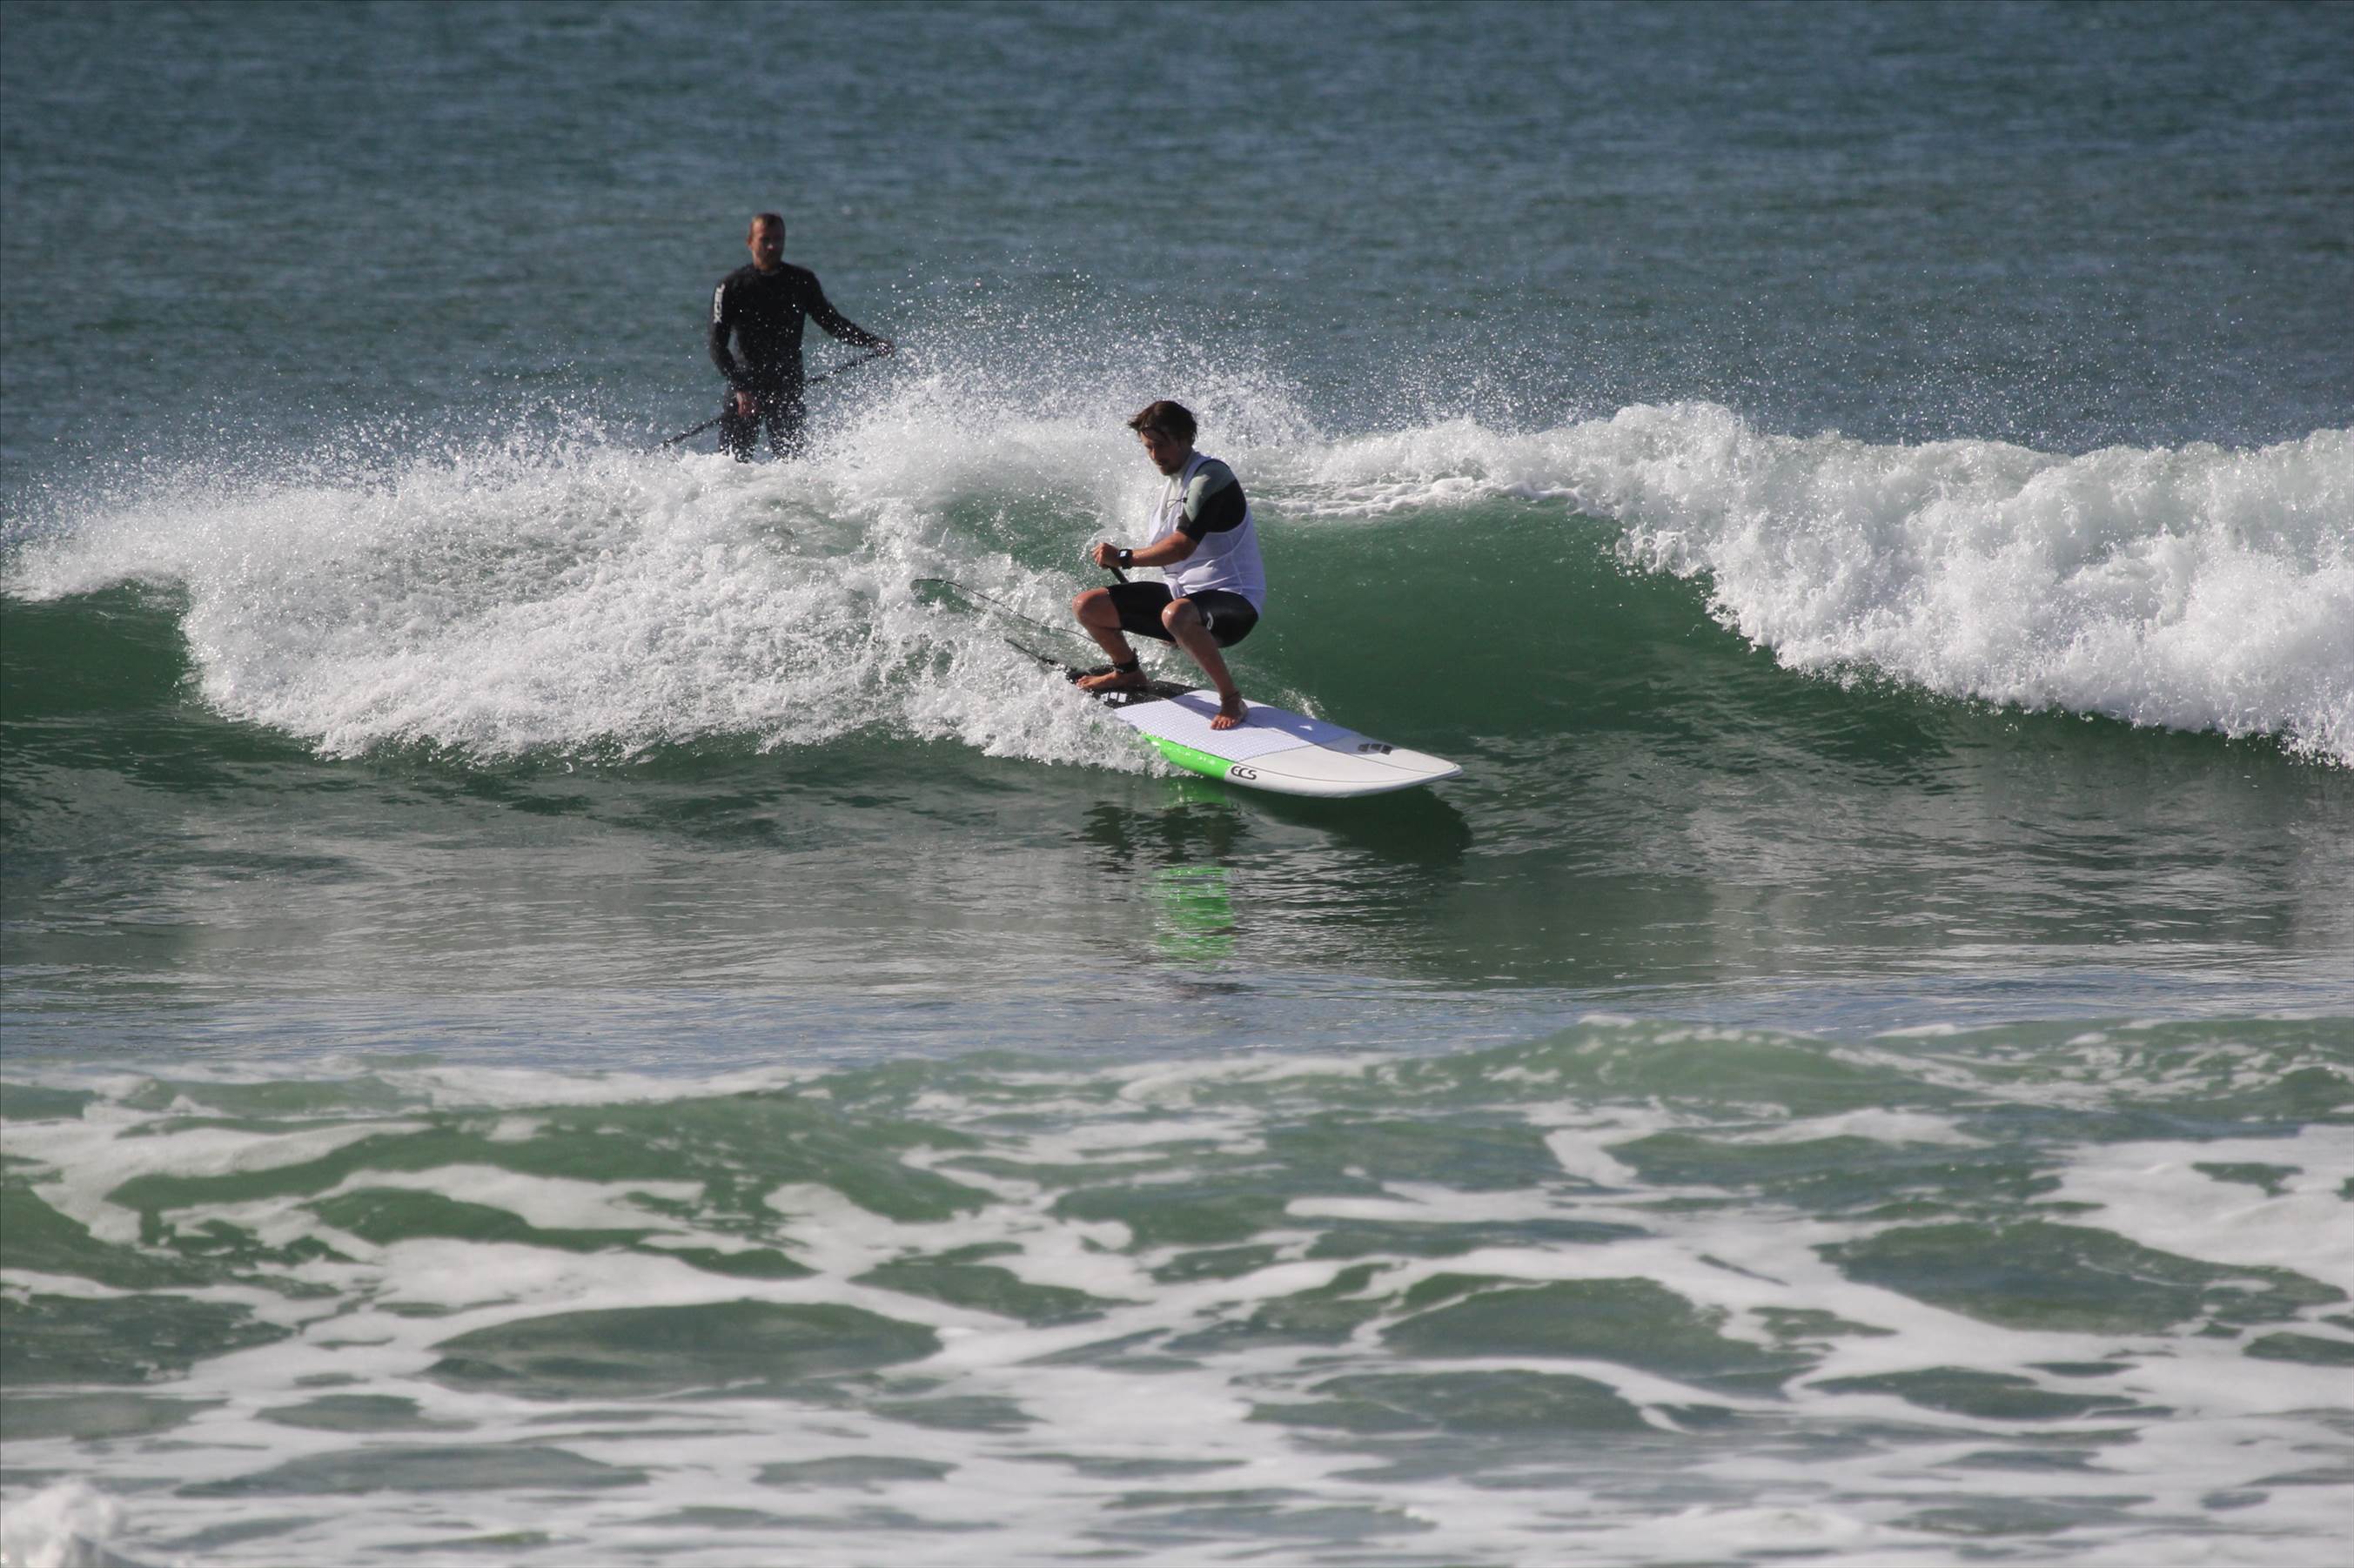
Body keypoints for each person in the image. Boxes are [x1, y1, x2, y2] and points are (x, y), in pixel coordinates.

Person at [1072, 400, 1265, 730]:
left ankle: (1232, 698)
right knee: (1087, 606)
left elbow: (1181, 547)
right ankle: (1128, 672)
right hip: (1184, 600)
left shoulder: (1211, 477)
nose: (1154, 455)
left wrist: (1123, 558)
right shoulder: (1172, 485)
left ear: (1185, 437)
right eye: (1148, 447)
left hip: (1235, 602)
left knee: (1176, 614)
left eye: (1160, 445)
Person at [708, 212, 891, 459]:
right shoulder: (731, 287)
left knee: (791, 465)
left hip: (787, 385)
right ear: (750, 242)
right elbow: (717, 346)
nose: (772, 246)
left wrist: (873, 342)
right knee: (731, 466)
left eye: (778, 239)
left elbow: (833, 324)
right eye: (765, 240)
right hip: (746, 388)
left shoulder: (801, 281)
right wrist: (741, 388)